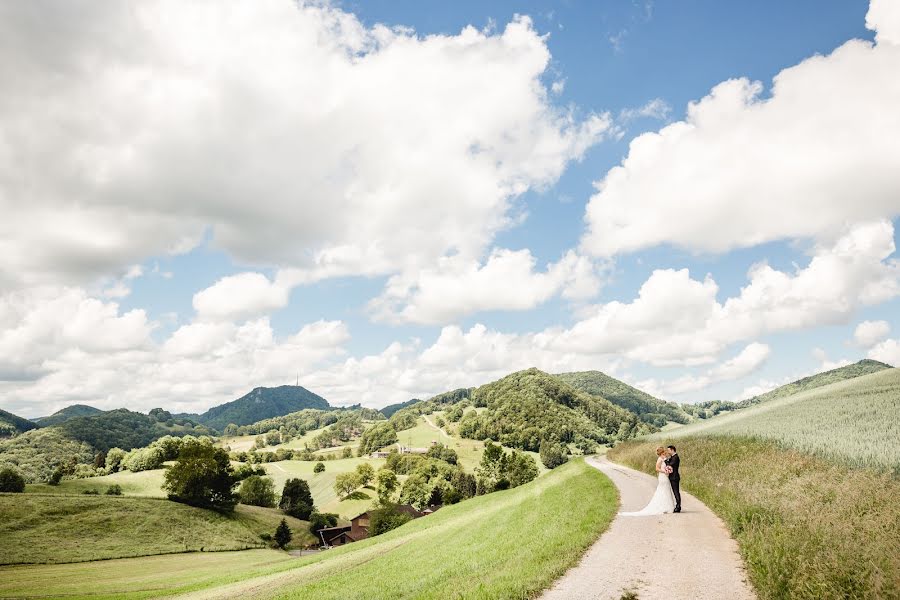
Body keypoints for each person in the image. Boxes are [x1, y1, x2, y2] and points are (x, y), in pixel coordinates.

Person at [620, 446, 675, 516]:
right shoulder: (660, 459)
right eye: (664, 451)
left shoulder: (664, 458)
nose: (665, 452)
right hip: (662, 476)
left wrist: (668, 469)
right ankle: (663, 507)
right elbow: (657, 469)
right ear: (662, 452)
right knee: (662, 490)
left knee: (667, 489)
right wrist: (664, 471)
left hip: (665, 476)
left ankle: (668, 507)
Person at [665, 445, 681, 513]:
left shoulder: (676, 457)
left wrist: (666, 461)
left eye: (668, 450)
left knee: (676, 492)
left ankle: (678, 507)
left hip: (674, 477)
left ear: (672, 450)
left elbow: (670, 465)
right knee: (675, 492)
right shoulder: (672, 457)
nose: (668, 452)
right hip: (672, 477)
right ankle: (677, 505)